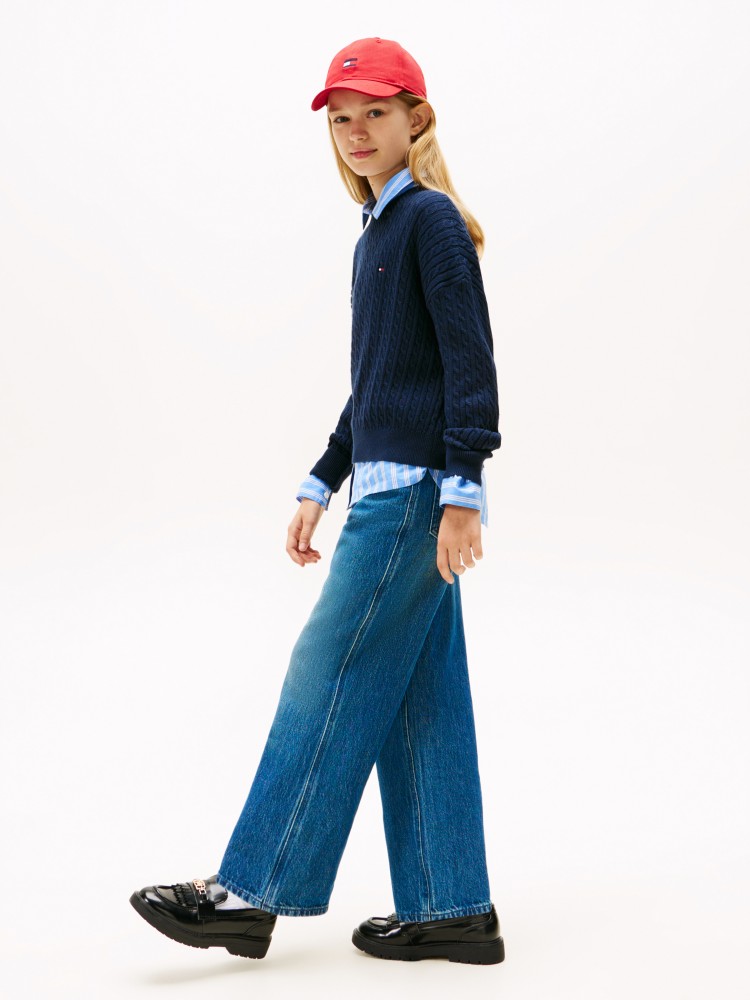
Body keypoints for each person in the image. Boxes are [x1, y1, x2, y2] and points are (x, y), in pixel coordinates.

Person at [130, 36, 505, 966]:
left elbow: (470, 363)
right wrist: (322, 478)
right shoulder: (378, 230)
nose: (356, 131)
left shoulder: (428, 221)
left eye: (375, 112)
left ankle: (251, 889)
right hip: (391, 486)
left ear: (417, 118)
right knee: (419, 697)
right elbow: (381, 382)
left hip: (414, 498)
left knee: (327, 670)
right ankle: (450, 906)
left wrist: (464, 489)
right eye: (341, 118)